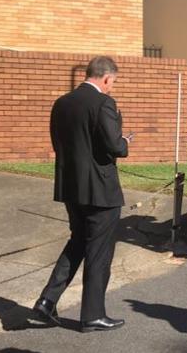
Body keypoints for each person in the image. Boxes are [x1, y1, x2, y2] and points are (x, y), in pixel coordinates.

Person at [33, 56, 131, 332]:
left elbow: (59, 142)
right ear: (107, 78)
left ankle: (47, 300)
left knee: (77, 243)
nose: (113, 87)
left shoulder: (62, 103)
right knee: (99, 253)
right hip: (101, 191)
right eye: (114, 82)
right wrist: (124, 142)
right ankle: (92, 315)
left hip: (70, 187)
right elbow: (114, 146)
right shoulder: (104, 103)